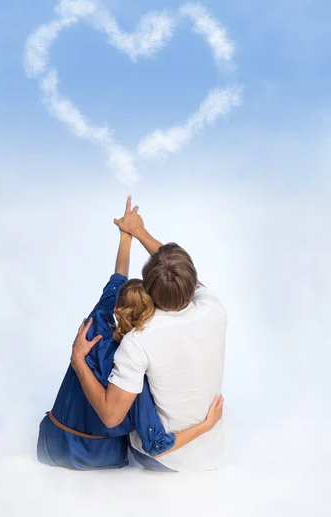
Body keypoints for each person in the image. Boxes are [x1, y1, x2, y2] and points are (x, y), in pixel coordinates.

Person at [37, 199, 223, 471]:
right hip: (214, 451)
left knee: (105, 342)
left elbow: (111, 417)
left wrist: (78, 361)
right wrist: (138, 232)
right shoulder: (213, 308)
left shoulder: (139, 338)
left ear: (149, 288)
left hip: (164, 457)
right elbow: (185, 276)